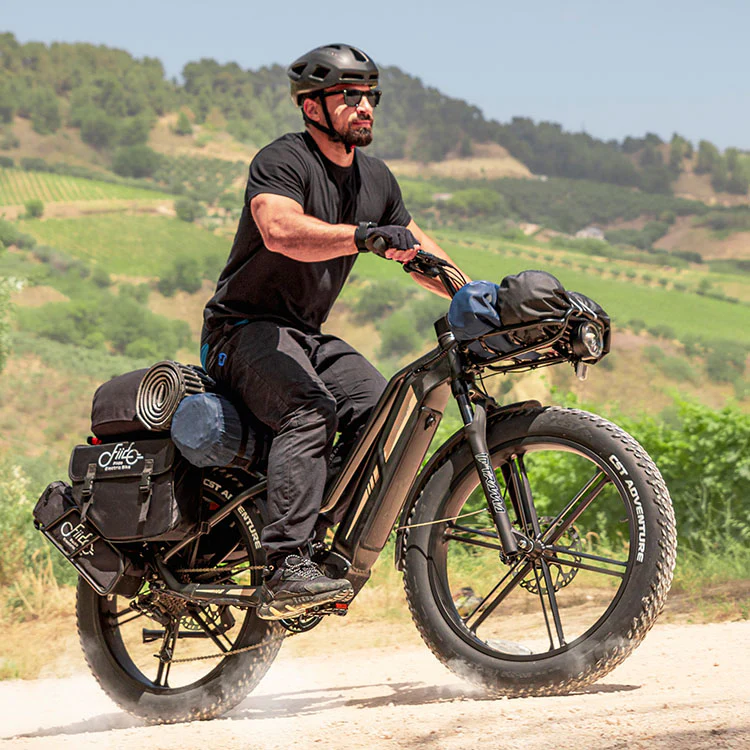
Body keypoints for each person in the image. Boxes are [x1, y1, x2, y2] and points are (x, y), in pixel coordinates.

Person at [200, 43, 466, 620]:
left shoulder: (375, 179)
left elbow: (421, 250)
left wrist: (473, 298)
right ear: (312, 105)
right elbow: (279, 230)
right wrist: (363, 237)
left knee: (381, 407)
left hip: (306, 335)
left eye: (371, 95)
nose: (364, 106)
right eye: (350, 95)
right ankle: (282, 566)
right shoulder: (283, 160)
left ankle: (317, 532)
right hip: (240, 331)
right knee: (309, 409)